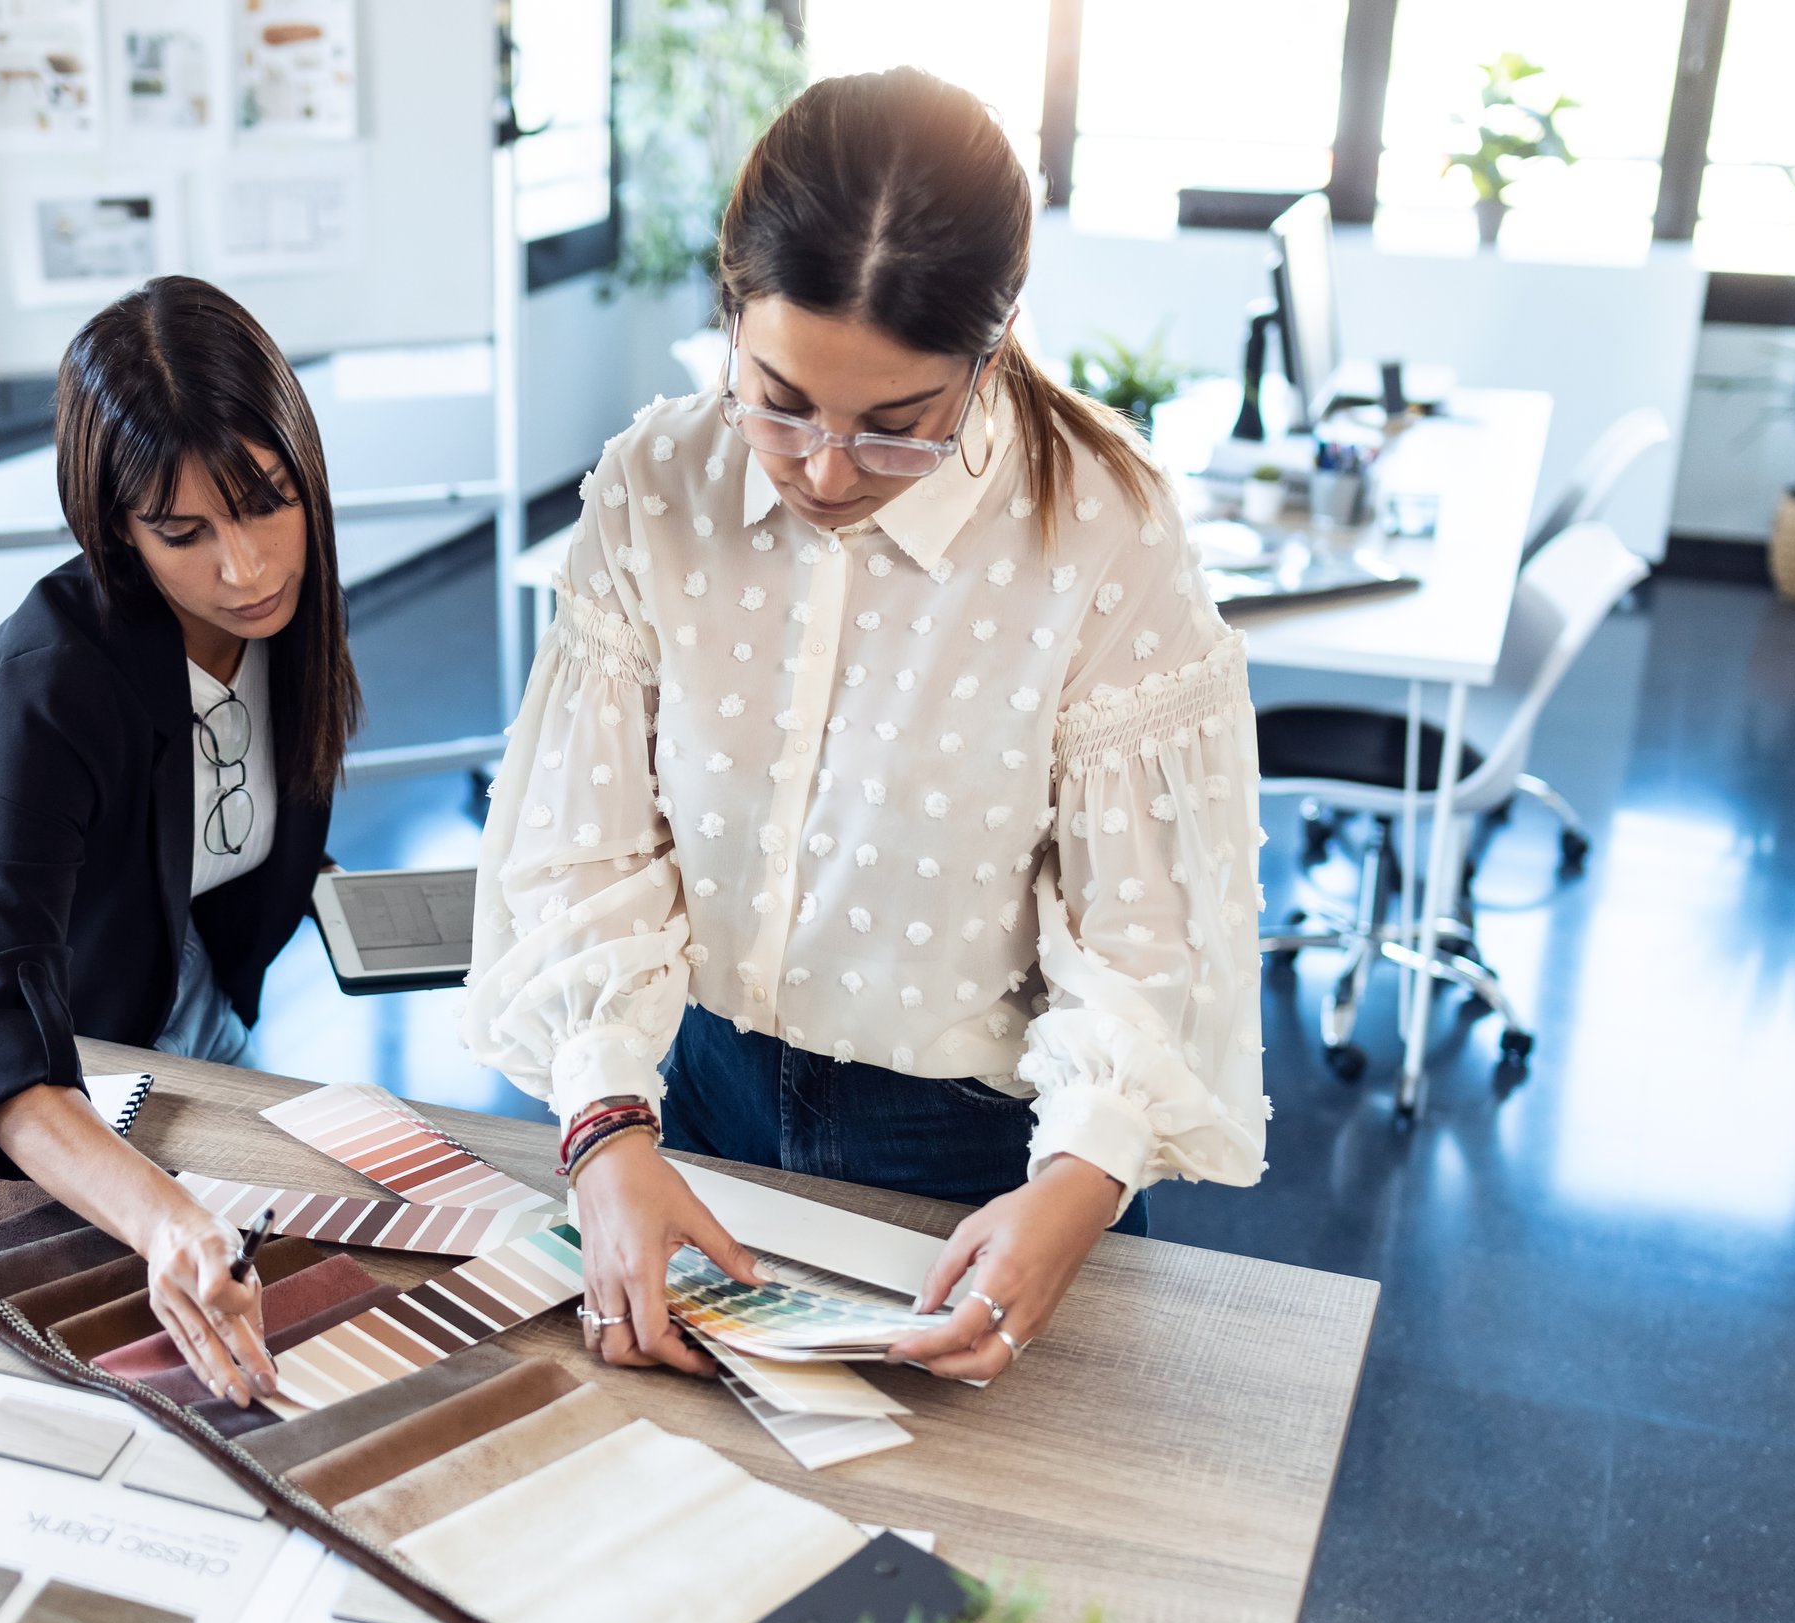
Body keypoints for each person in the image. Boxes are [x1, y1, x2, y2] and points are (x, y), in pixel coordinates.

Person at [462, 69, 1269, 1387]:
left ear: (991, 350)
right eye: (778, 399)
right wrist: (607, 1128)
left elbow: (1147, 926)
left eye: (898, 427)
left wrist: (1079, 1180)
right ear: (730, 314)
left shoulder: (1105, 531)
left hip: (973, 1142)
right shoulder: (658, 486)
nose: (827, 472)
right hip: (692, 1087)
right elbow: (590, 841)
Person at [0, 276, 361, 1408]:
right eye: (184, 532)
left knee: (271, 1302)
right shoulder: (48, 683)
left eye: (266, 503)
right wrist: (161, 1216)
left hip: (176, 1003)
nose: (247, 567)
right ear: (112, 529)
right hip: (7, 1035)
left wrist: (339, 893)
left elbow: (216, 823)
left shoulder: (287, 618)